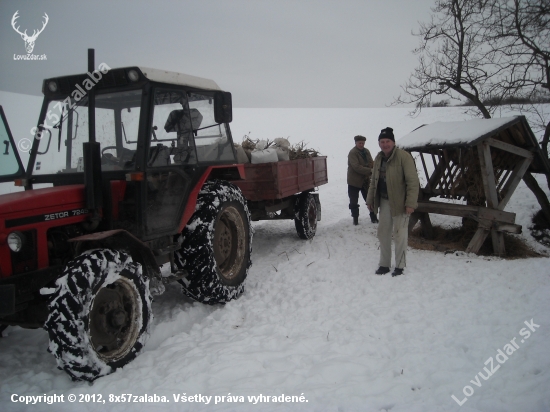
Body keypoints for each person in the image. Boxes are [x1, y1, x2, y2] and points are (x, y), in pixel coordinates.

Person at [366, 127, 419, 277]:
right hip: (384, 201)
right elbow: (373, 182)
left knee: (400, 234)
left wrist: (410, 203)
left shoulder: (404, 157)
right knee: (383, 233)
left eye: (387, 141)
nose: (385, 144)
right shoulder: (378, 158)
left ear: (393, 142)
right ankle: (384, 264)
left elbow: (413, 182)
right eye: (382, 141)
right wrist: (370, 199)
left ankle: (400, 265)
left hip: (400, 202)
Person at [347, 135, 378, 225]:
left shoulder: (366, 151)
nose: (361, 144)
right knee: (353, 201)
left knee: (370, 199)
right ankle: (355, 219)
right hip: (354, 181)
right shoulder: (352, 153)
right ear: (356, 143)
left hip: (365, 180)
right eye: (360, 143)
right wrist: (370, 171)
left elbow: (371, 162)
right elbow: (356, 167)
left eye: (363, 143)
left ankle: (374, 217)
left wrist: (374, 168)